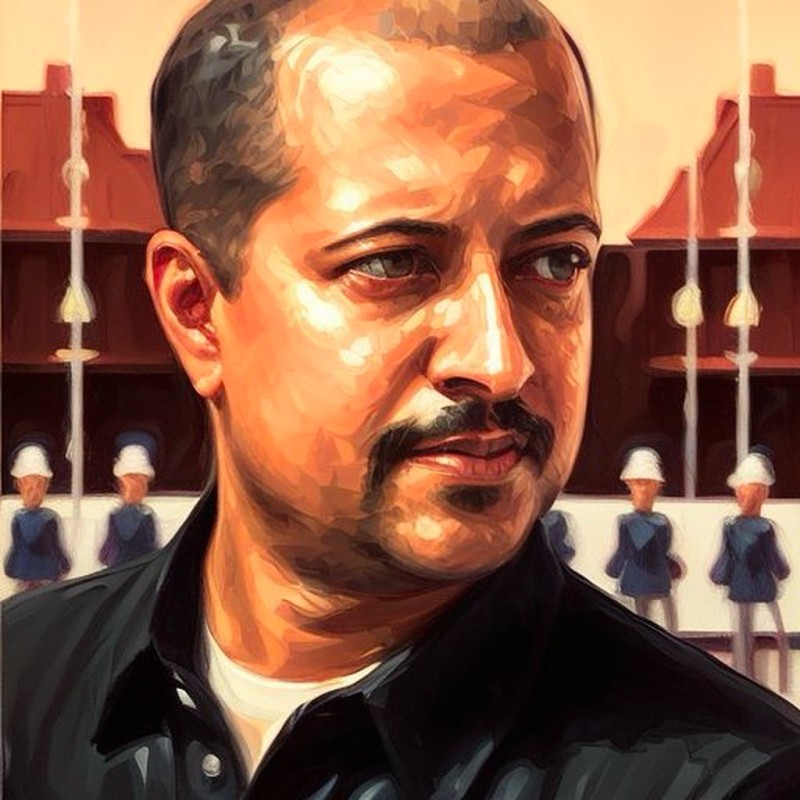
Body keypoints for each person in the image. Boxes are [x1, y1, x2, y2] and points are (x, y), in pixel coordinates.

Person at [4, 1, 800, 797]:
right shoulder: (18, 695)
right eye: (393, 264)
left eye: (555, 263)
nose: (500, 361)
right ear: (197, 311)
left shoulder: (734, 778)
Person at [711, 450, 791, 693]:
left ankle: (743, 678)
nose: (745, 497)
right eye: (744, 492)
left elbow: (725, 560)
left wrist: (719, 575)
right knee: (767, 632)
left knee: (743, 634)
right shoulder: (765, 528)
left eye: (749, 492)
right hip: (763, 589)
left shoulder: (731, 527)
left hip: (740, 588)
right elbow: (777, 563)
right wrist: (782, 572)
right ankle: (774, 682)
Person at [605, 447, 682, 633]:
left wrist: (612, 570)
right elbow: (662, 553)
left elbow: (622, 555)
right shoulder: (658, 523)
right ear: (630, 486)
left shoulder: (636, 523)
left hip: (640, 583)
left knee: (646, 628)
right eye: (639, 483)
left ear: (656, 488)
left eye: (648, 484)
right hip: (650, 583)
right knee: (653, 628)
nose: (643, 489)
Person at [4, 443, 71, 592]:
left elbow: (14, 554)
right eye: (29, 486)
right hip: (46, 578)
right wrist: (65, 565)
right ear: (19, 485)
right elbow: (58, 551)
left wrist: (10, 568)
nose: (34, 493)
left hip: (27, 578)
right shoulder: (49, 518)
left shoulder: (20, 518)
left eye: (38, 486)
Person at [99, 442, 160, 568]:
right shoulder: (146, 516)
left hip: (119, 570)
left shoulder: (114, 516)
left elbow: (105, 554)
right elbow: (151, 549)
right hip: (139, 570)